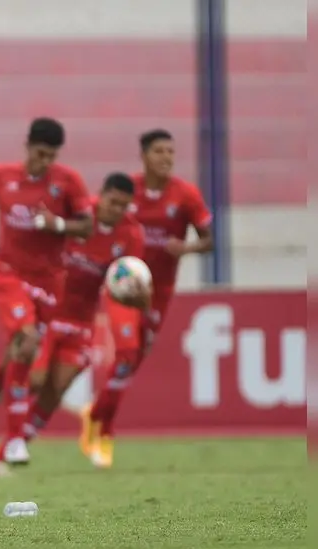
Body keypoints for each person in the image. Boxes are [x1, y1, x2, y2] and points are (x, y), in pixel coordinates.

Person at [0, 117, 94, 475]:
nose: (45, 161)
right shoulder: (1, 176)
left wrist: (58, 225)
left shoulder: (68, 182)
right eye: (40, 153)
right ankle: (16, 438)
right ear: (28, 146)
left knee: (19, 353)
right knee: (27, 339)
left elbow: (87, 224)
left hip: (50, 283)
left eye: (51, 156)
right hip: (8, 274)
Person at [0, 173, 148, 468]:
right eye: (112, 202)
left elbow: (124, 282)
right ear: (100, 195)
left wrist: (134, 296)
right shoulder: (78, 217)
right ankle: (0, 408)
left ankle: (14, 447)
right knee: (36, 379)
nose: (116, 210)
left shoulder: (131, 235)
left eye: (123, 206)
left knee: (57, 388)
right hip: (51, 310)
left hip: (82, 320)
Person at [81, 130, 213, 468]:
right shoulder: (127, 192)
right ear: (143, 154)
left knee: (132, 363)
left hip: (158, 292)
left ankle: (94, 414)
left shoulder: (185, 195)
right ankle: (104, 433)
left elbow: (208, 240)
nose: (166, 156)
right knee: (125, 354)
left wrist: (186, 247)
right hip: (123, 286)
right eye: (159, 150)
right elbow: (91, 215)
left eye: (171, 150)